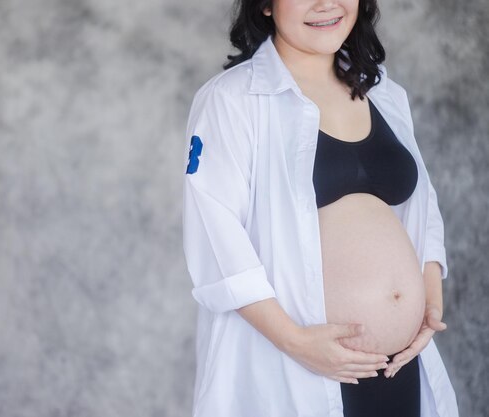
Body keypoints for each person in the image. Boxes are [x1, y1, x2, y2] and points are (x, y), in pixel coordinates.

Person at [181, 1, 459, 416]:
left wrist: (428, 303)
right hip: (297, 367)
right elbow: (216, 237)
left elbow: (423, 210)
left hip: (400, 368)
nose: (327, 3)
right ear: (265, 6)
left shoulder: (385, 93)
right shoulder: (232, 100)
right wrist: (298, 342)